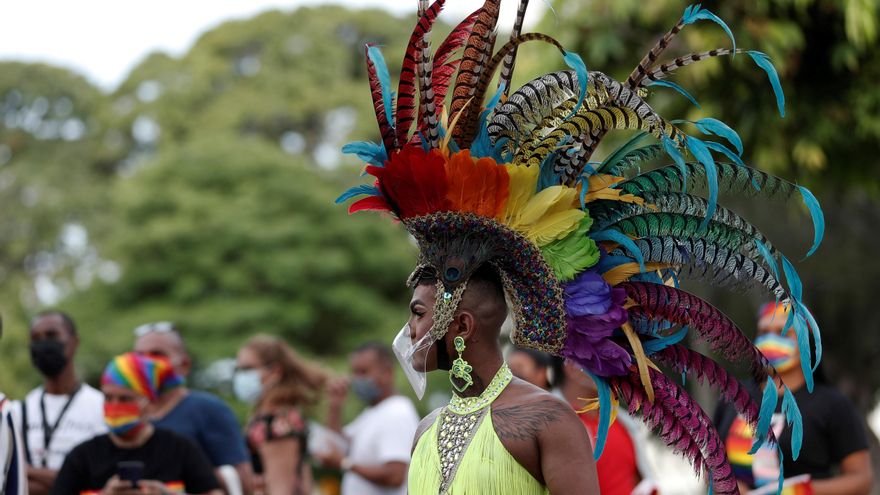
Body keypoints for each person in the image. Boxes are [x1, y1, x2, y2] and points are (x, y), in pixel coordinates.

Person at [336, 1, 825, 493]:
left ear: (460, 325)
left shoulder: (545, 420)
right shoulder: (424, 432)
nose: (409, 330)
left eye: (418, 313)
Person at [715, 302, 873, 494]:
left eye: (783, 333)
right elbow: (712, 464)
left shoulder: (833, 405)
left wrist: (799, 491)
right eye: (764, 332)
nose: (771, 340)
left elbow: (862, 480)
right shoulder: (732, 395)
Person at [51, 352, 221, 495]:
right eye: (108, 398)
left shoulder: (179, 448)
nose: (115, 406)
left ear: (151, 403)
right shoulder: (83, 456)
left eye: (125, 399)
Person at [132, 321, 253, 493]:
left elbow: (243, 482)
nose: (147, 363)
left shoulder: (209, 409)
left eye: (157, 354)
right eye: (139, 356)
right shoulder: (126, 413)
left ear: (184, 365)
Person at [19, 311, 105, 495]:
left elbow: (99, 479)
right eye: (36, 338)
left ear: (74, 342)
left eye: (52, 335)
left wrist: (26, 471)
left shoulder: (101, 407)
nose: (43, 344)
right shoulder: (20, 410)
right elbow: (10, 480)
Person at [318, 342, 419, 495]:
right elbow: (335, 445)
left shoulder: (397, 413)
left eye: (363, 372)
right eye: (355, 372)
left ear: (387, 372)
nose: (357, 379)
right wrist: (335, 406)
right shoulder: (373, 412)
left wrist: (345, 463)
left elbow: (395, 476)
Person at [234, 335, 327, 495]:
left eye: (248, 368)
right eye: (239, 369)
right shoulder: (265, 417)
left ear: (275, 371)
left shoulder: (277, 424)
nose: (241, 376)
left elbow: (281, 489)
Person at [553, 358, 657, 495]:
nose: (613, 368)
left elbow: (640, 481)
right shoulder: (548, 423)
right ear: (571, 366)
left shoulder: (625, 422)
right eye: (599, 358)